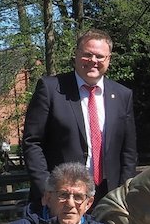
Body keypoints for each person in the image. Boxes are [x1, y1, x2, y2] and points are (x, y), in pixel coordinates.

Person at [22, 28, 138, 203]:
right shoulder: (50, 89)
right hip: (62, 195)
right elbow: (32, 142)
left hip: (109, 196)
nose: (93, 61)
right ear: (76, 55)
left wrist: (124, 191)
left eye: (100, 56)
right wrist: (47, 187)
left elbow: (128, 151)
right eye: (87, 55)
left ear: (108, 60)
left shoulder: (123, 95)